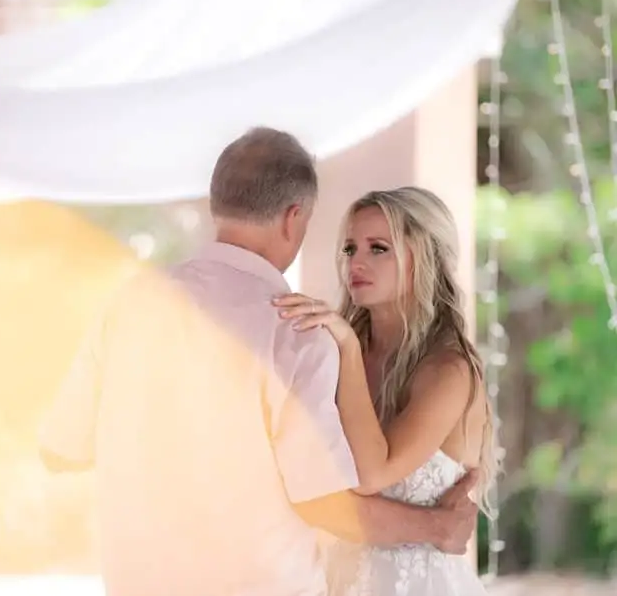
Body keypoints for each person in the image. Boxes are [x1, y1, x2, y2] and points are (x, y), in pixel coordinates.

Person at [39, 128, 477, 596]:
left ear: (216, 205)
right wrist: (435, 528)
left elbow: (59, 450)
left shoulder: (127, 304)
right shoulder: (295, 330)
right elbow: (326, 505)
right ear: (294, 218)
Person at [273, 186, 498, 596]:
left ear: (425, 257)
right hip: (332, 580)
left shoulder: (448, 369)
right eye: (349, 249)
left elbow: (371, 474)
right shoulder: (330, 350)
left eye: (378, 248)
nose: (356, 262)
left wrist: (347, 348)